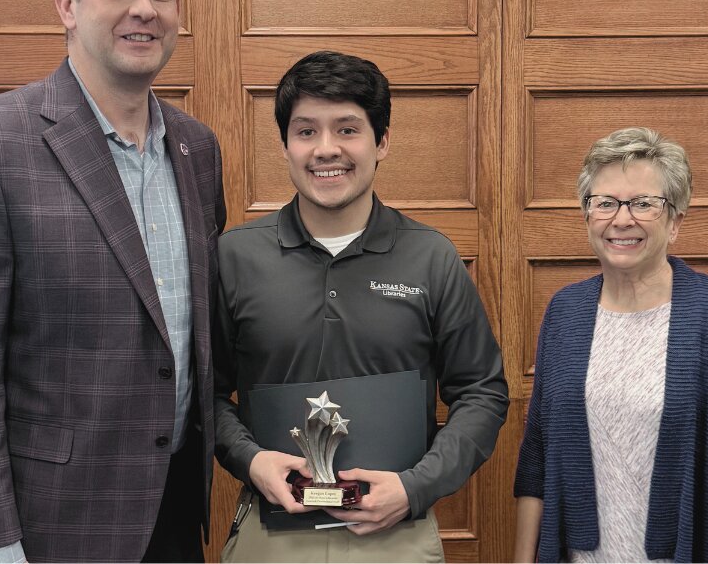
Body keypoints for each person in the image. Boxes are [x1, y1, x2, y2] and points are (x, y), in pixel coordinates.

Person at [0, 0, 226, 563]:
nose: (144, 9)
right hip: (50, 529)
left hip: (174, 518)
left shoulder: (198, 149)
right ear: (67, 4)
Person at [214, 51, 508, 562]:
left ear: (382, 142)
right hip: (273, 536)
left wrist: (416, 487)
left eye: (347, 129)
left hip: (396, 537)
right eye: (306, 131)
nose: (326, 149)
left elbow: (482, 392)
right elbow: (204, 394)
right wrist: (251, 459)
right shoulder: (233, 257)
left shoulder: (431, 257)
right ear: (285, 145)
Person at [513, 128, 708, 563]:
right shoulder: (564, 313)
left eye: (643, 203)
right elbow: (536, 463)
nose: (622, 220)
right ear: (587, 216)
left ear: (675, 220)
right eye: (605, 203)